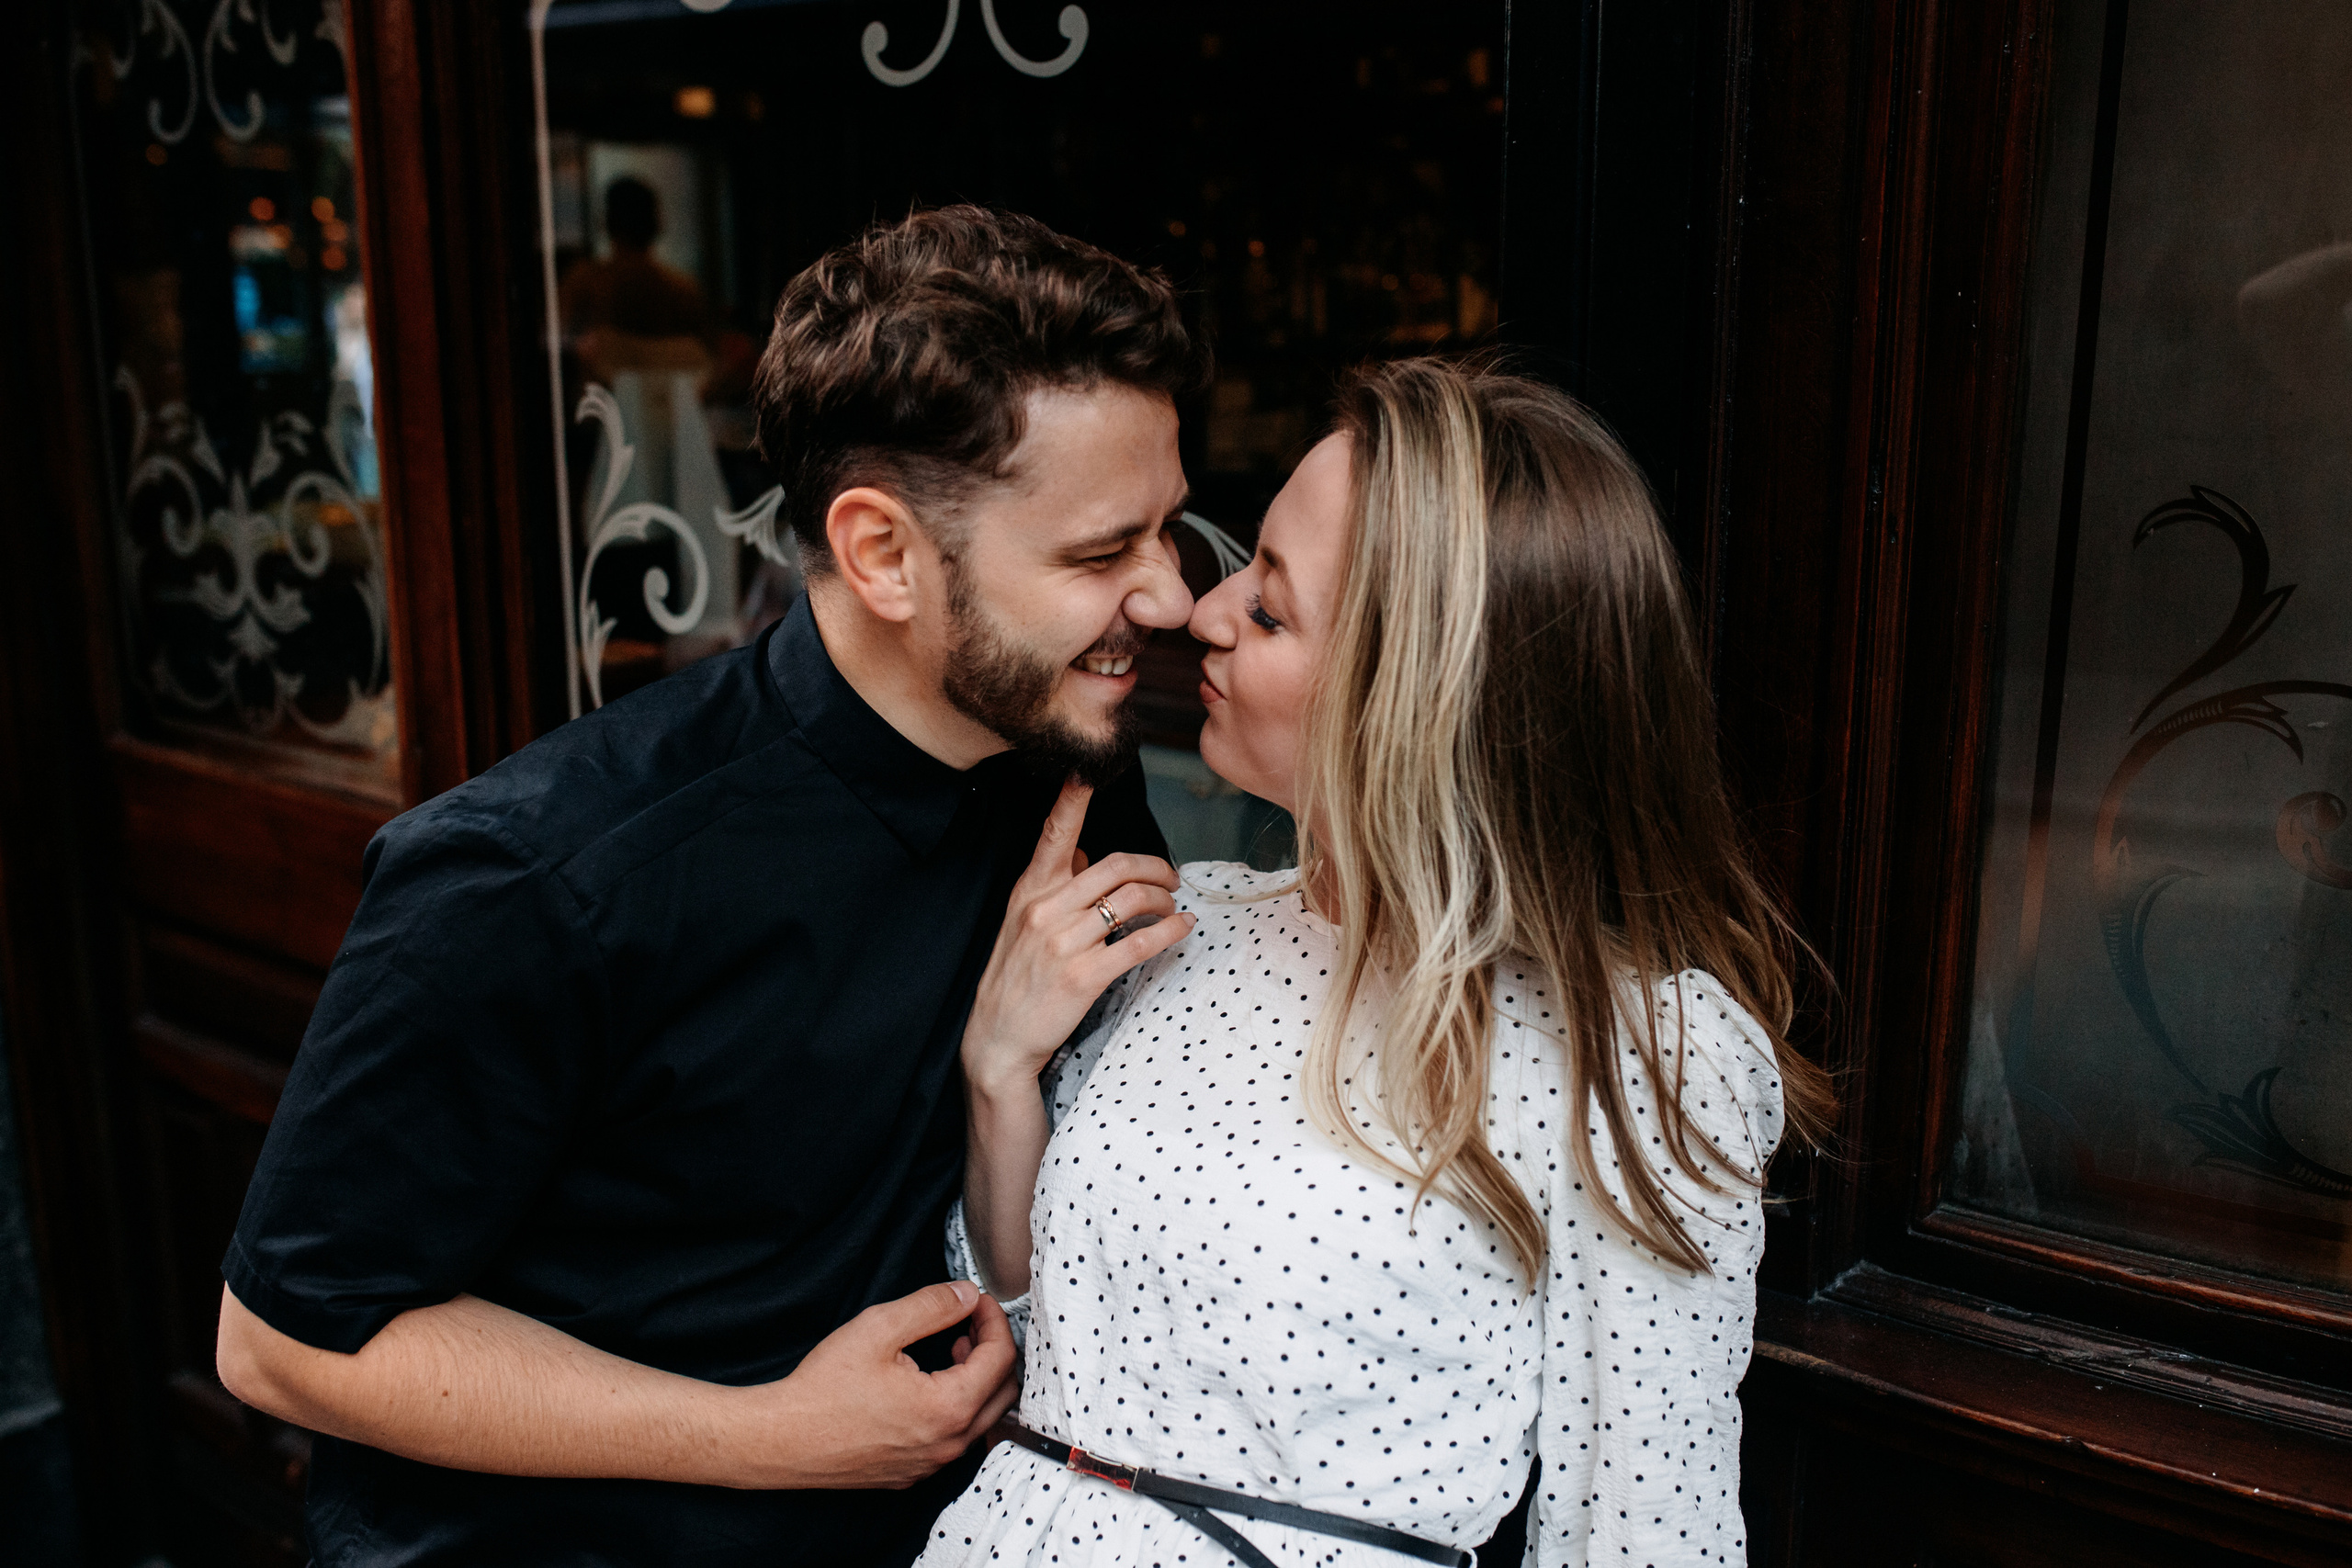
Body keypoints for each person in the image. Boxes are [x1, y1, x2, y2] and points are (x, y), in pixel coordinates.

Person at [212, 206, 1207, 1568]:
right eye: (1102, 555)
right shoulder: (540, 871)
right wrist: (765, 1436)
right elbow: (283, 1342)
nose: (1169, 598)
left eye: (1170, 529)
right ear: (882, 555)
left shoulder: (1071, 778)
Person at [933, 359, 1836, 1567]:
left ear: (1410, 700)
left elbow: (1640, 1532)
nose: (1202, 609)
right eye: (1246, 564)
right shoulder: (1181, 930)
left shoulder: (1630, 1054)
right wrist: (1001, 1072)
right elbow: (1026, 1342)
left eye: (1268, 608)